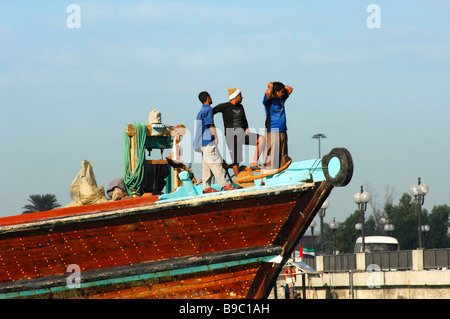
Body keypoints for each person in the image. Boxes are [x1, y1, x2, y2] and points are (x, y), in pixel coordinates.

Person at [193, 91, 238, 193]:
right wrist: (216, 137)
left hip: (201, 143)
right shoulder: (208, 109)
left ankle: (206, 187)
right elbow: (210, 125)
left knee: (207, 166)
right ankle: (225, 185)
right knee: (215, 162)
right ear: (208, 97)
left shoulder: (201, 111)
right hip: (208, 141)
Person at [213, 88, 265, 176]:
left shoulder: (241, 107)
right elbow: (211, 112)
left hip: (242, 134)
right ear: (236, 96)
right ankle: (239, 180)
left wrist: (247, 128)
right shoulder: (224, 106)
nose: (242, 98)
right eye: (240, 96)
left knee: (261, 139)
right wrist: (211, 128)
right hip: (231, 136)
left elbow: (244, 118)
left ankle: (254, 162)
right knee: (236, 160)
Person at [262, 82, 293, 171]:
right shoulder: (269, 100)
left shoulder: (282, 98)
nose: (283, 93)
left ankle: (282, 172)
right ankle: (268, 174)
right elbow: (268, 92)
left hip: (283, 130)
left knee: (283, 155)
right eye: (281, 91)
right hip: (272, 130)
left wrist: (277, 84)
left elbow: (290, 89)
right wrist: (271, 86)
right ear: (275, 92)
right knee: (271, 156)